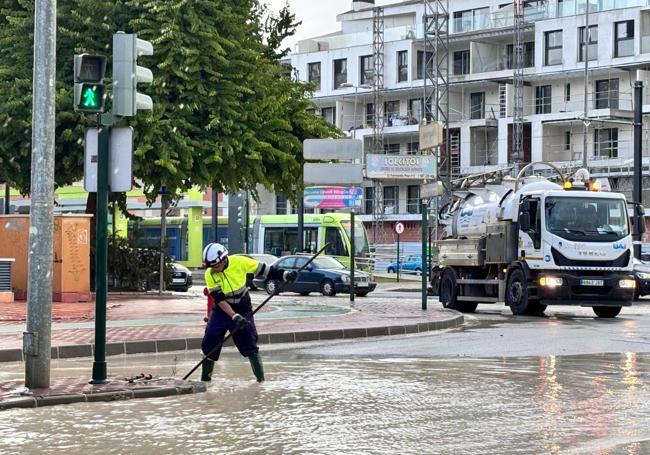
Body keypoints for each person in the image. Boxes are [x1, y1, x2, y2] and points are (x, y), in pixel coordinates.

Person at [200, 243, 298, 382]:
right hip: (222, 309)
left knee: (249, 340)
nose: (214, 270)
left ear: (224, 259)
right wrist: (233, 316)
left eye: (216, 266)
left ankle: (261, 382)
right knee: (211, 339)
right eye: (211, 267)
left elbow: (265, 270)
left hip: (243, 306)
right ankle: (205, 381)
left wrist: (285, 275)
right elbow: (220, 299)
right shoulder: (209, 274)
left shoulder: (240, 262)